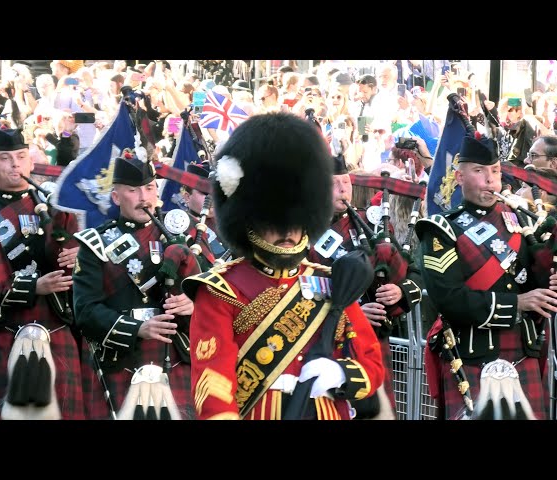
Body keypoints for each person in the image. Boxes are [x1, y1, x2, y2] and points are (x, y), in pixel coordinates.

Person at [181, 112, 384, 420]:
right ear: (249, 222)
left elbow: (371, 361)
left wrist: (340, 373)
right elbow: (213, 384)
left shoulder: (330, 283)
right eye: (274, 223)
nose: (288, 233)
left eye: (296, 222)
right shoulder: (221, 289)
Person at [416, 134, 557, 420]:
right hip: (470, 352)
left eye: (494, 171)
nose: (490, 180)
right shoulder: (442, 229)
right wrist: (517, 304)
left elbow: (537, 288)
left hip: (522, 349)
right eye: (479, 171)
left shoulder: (522, 223)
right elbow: (449, 299)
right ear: (459, 176)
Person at [0, 128, 85, 420]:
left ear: (30, 163)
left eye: (21, 157)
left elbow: (81, 281)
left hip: (55, 324)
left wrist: (79, 259)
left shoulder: (56, 211)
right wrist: (33, 287)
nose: (15, 164)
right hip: (4, 328)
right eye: (5, 158)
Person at [72, 145, 200, 420]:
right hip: (122, 361)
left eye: (150, 188)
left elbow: (210, 297)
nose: (144, 198)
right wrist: (138, 328)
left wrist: (192, 304)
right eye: (133, 190)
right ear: (116, 197)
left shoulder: (181, 237)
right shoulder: (95, 244)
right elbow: (85, 311)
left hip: (173, 356)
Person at [309, 156, 423, 418]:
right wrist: (356, 311)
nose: (343, 189)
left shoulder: (370, 223)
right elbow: (303, 290)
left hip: (372, 342)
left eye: (346, 182)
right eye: (334, 183)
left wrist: (401, 292)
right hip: (327, 344)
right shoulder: (304, 233)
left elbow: (413, 273)